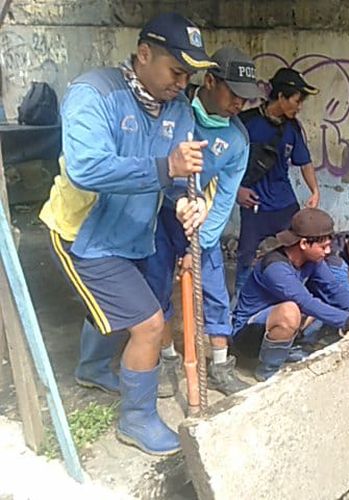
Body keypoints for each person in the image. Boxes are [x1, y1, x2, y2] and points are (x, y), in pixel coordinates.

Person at [39, 12, 214, 456]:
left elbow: (180, 175)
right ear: (143, 55)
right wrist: (165, 168)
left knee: (124, 306)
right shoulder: (93, 94)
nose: (182, 84)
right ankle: (135, 421)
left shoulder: (177, 107)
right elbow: (85, 168)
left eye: (189, 75)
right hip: (85, 234)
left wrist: (185, 200)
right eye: (176, 71)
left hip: (136, 230)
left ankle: (92, 367)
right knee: (149, 323)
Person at [143, 47, 263, 397]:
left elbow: (225, 196)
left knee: (214, 292)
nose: (240, 104)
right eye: (234, 94)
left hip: (200, 221)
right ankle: (166, 360)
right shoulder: (174, 113)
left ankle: (221, 364)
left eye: (246, 98)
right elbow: (151, 169)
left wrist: (201, 242)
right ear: (210, 81)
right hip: (160, 214)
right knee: (157, 286)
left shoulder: (237, 139)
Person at [232, 208, 349, 381]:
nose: (328, 251)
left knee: (321, 299)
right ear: (304, 243)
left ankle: (289, 350)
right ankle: (268, 372)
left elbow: (333, 288)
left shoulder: (312, 261)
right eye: (323, 246)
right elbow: (305, 302)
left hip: (273, 326)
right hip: (247, 336)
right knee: (291, 310)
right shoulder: (275, 267)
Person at [234, 67, 321, 294]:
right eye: (296, 100)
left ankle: (294, 297)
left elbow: (305, 162)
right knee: (247, 258)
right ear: (281, 97)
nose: (299, 107)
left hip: (285, 204)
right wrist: (236, 190)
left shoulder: (292, 128)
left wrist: (315, 190)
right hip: (254, 204)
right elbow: (224, 163)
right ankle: (242, 310)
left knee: (296, 252)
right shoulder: (245, 123)